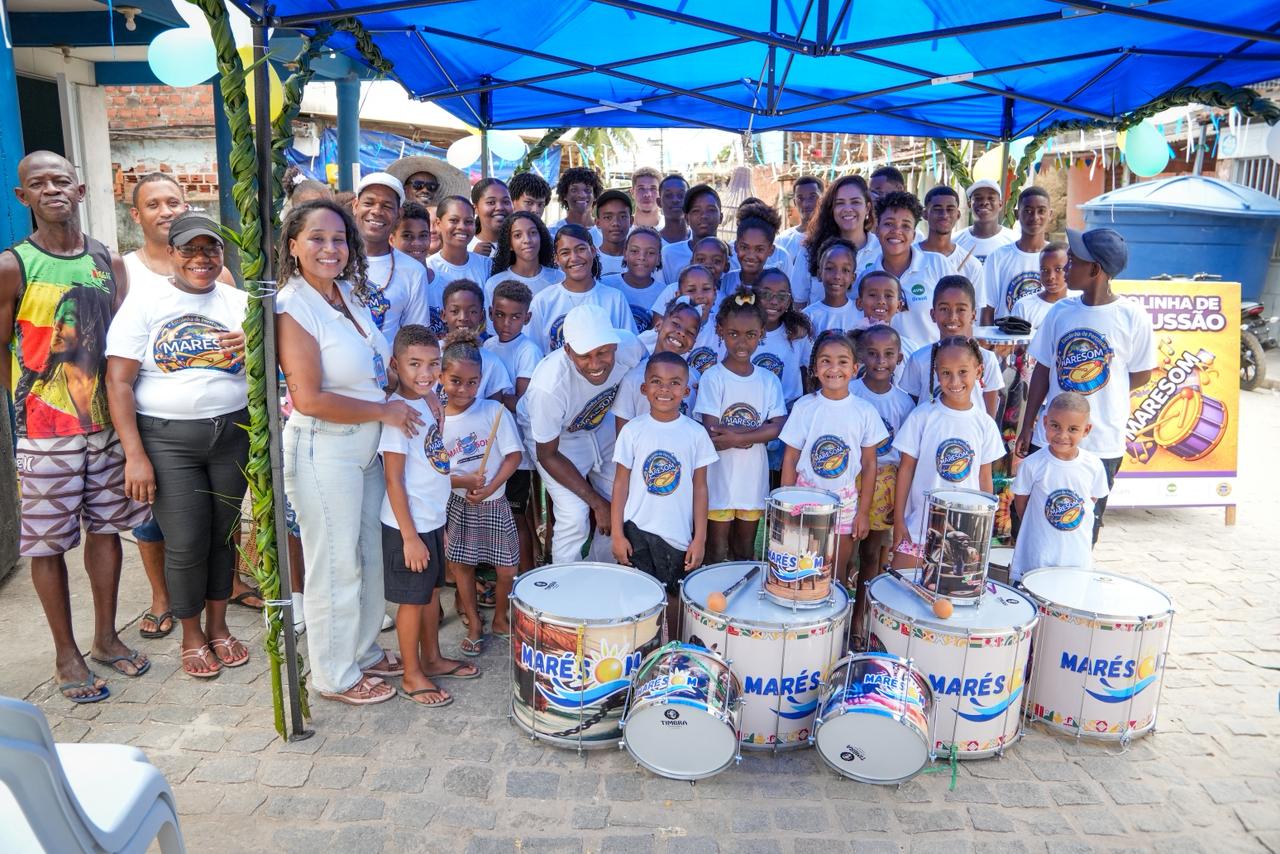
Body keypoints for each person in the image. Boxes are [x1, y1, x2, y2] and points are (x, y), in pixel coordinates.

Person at [2, 151, 150, 702]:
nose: (52, 190)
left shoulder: (107, 261)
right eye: (39, 184)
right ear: (23, 197)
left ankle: (106, 639)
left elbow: (123, 342)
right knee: (47, 545)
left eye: (61, 181)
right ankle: (66, 654)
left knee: (106, 531)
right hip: (45, 435)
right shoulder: (13, 265)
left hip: (107, 429)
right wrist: (29, 410)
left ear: (80, 191)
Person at [276, 198, 422, 706]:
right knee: (335, 564)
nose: (330, 248)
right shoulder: (293, 306)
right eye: (317, 238)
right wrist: (385, 411)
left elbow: (374, 369)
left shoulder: (345, 294)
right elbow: (309, 398)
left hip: (366, 446)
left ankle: (362, 651)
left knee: (369, 557)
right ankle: (333, 675)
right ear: (293, 245)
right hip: (325, 448)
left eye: (338, 239)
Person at [105, 212, 250, 679]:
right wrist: (134, 455)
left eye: (211, 248)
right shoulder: (145, 303)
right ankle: (192, 634)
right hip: (168, 441)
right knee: (186, 542)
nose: (200, 258)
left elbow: (275, 367)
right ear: (171, 253)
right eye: (189, 249)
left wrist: (254, 345)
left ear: (222, 254)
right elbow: (118, 382)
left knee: (224, 535)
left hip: (232, 435)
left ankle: (219, 627)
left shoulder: (241, 303)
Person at [1017, 227, 1154, 543]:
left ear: (1095, 270)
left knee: (1082, 526)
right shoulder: (1061, 312)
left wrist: (1108, 393)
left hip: (1101, 442)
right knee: (1035, 519)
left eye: (1073, 261)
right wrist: (1028, 424)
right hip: (1051, 438)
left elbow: (1142, 374)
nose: (1066, 267)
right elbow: (1043, 369)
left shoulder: (1132, 316)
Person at [379, 324, 479, 707]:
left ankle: (432, 659)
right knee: (412, 601)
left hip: (431, 519)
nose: (426, 372)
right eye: (415, 364)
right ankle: (411, 674)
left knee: (431, 593)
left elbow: (430, 465)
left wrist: (439, 524)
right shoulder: (398, 415)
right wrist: (409, 537)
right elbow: (393, 479)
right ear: (396, 364)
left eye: (433, 363)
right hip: (408, 526)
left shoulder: (428, 401)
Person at [517, 303, 645, 563]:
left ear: (615, 344)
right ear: (567, 350)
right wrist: (596, 503)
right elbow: (548, 455)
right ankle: (564, 581)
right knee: (574, 515)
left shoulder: (630, 346)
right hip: (557, 438)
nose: (595, 363)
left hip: (600, 421)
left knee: (621, 499)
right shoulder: (548, 387)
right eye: (585, 355)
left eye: (603, 352)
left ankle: (603, 569)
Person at [612, 351, 717, 628]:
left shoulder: (696, 434)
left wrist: (700, 538)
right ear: (644, 388)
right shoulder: (632, 431)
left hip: (677, 534)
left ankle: (673, 649)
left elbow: (701, 488)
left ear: (686, 391)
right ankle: (642, 648)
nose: (665, 389)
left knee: (673, 599)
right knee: (638, 597)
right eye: (657, 381)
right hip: (636, 530)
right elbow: (620, 484)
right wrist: (617, 534)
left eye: (674, 383)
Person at [780, 331, 886, 589]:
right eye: (826, 361)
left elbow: (870, 464)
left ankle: (835, 614)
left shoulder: (864, 411)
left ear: (855, 368)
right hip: (804, 496)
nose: (834, 368)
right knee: (800, 571)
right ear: (815, 368)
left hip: (844, 499)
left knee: (834, 574)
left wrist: (863, 512)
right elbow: (791, 457)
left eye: (842, 361)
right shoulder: (805, 407)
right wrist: (785, 505)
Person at [440, 330, 524, 653]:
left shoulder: (493, 411)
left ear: (481, 380)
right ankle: (475, 623)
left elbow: (514, 456)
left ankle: (501, 617)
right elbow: (434, 473)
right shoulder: (437, 420)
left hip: (495, 501)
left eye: (472, 382)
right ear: (441, 377)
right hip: (459, 504)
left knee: (507, 568)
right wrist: (463, 482)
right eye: (455, 381)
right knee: (462, 565)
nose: (464, 389)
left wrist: (489, 487)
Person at [892, 336, 1005, 568]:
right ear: (936, 373)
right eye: (946, 373)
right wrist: (899, 520)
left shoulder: (985, 423)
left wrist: (985, 525)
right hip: (919, 527)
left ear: (978, 371)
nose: (955, 381)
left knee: (950, 586)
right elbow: (906, 469)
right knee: (901, 584)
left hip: (965, 532)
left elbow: (984, 477)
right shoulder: (922, 416)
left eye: (963, 372)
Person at [696, 290, 787, 563]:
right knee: (715, 552)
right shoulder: (713, 378)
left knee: (744, 551)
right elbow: (714, 433)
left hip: (752, 482)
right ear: (720, 331)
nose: (742, 342)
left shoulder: (768, 380)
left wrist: (735, 437)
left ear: (762, 334)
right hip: (718, 482)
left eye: (750, 335)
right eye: (733, 334)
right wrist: (758, 432)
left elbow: (778, 427)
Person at [850, 324, 915, 627]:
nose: (880, 361)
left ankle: (863, 619)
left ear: (899, 358)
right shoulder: (851, 392)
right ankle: (843, 612)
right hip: (852, 478)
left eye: (888, 354)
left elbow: (905, 455)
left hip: (885, 482)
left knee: (873, 553)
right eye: (872, 354)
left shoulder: (904, 402)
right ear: (861, 356)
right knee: (847, 551)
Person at [1011, 392, 1109, 583]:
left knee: (1070, 596)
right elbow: (1021, 503)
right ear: (1044, 422)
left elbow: (1091, 501)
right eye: (1055, 426)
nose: (1062, 435)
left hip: (1075, 556)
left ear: (1086, 430)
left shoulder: (1094, 465)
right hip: (1040, 553)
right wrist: (1036, 525)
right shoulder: (1032, 464)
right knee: (1033, 594)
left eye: (1073, 429)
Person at [483, 280, 542, 572]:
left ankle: (526, 578)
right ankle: (507, 576)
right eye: (500, 315)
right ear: (490, 313)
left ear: (527, 318)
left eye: (515, 316)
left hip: (517, 451)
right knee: (499, 516)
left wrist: (493, 398)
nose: (506, 323)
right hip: (492, 447)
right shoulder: (487, 345)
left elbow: (523, 403)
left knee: (517, 517)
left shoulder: (528, 350)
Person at [900, 275, 1004, 418]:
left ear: (973, 315)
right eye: (944, 309)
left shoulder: (987, 359)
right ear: (933, 314)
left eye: (961, 309)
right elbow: (913, 410)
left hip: (972, 432)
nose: (952, 317)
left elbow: (989, 417)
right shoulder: (918, 359)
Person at [864, 191, 954, 345]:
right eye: (889, 224)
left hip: (932, 358)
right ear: (877, 230)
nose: (896, 231)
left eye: (905, 225)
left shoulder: (937, 264)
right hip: (884, 360)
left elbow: (958, 315)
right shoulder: (867, 276)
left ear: (914, 234)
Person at [527, 223, 634, 353]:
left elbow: (629, 348)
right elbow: (533, 351)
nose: (574, 258)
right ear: (556, 259)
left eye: (581, 249)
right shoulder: (543, 301)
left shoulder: (615, 299)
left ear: (593, 251)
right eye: (565, 252)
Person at [351, 173, 430, 346]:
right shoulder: (333, 261)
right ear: (355, 206)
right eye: (368, 203)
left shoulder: (414, 271)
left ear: (398, 214)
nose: (376, 211)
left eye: (387, 206)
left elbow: (415, 340)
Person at [615, 298, 703, 431]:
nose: (681, 333)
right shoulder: (633, 377)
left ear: (693, 344)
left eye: (690, 332)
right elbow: (622, 435)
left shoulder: (695, 380)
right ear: (659, 325)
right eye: (676, 324)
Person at [792, 175, 879, 307]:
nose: (847, 209)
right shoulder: (810, 250)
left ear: (867, 208)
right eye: (840, 203)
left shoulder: (882, 250)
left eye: (855, 202)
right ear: (831, 209)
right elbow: (799, 305)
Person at [981, 186, 1051, 324]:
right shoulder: (997, 257)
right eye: (1028, 211)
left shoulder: (1059, 257)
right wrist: (985, 338)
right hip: (1005, 337)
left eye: (1041, 211)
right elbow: (987, 310)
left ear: (1050, 214)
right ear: (1017, 214)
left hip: (1046, 337)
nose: (1035, 217)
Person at [425, 196, 492, 334]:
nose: (462, 227)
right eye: (454, 220)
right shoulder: (428, 269)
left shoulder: (487, 266)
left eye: (468, 221)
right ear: (438, 223)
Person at [440, 279, 513, 404]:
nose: (463, 318)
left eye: (472, 312)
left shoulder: (492, 362)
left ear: (482, 316)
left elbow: (494, 410)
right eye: (455, 311)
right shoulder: (431, 354)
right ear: (443, 315)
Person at [484, 210, 563, 324]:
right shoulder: (494, 283)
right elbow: (493, 330)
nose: (527, 240)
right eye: (517, 235)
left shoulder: (559, 278)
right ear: (510, 244)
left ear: (541, 237)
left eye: (533, 233)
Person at [750, 269, 812, 405]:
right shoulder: (743, 331)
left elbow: (811, 371)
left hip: (788, 409)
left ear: (789, 301)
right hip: (749, 408)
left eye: (782, 296)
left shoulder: (797, 334)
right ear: (754, 296)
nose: (774, 301)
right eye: (765, 294)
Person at [602, 226, 664, 333]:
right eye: (635, 251)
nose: (642, 257)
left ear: (658, 258)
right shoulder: (605, 284)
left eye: (650, 252)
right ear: (625, 254)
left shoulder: (665, 293)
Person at [918, 185, 983, 286]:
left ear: (958, 215)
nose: (944, 215)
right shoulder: (908, 257)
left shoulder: (971, 265)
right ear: (925, 214)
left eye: (950, 209)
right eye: (937, 209)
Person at [661, 184, 724, 284]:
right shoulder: (669, 254)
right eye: (696, 211)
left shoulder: (733, 256)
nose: (704, 216)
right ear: (687, 219)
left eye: (711, 210)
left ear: (721, 217)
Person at [720, 203, 784, 295]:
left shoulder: (775, 285)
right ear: (736, 246)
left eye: (759, 249)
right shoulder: (727, 280)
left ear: (771, 250)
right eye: (744, 247)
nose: (751, 256)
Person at [802, 237, 862, 336]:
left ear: (853, 277)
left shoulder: (861, 313)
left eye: (845, 270)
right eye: (830, 268)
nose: (837, 276)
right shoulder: (808, 317)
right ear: (819, 274)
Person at [953, 180, 1017, 265]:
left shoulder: (1015, 242)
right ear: (969, 204)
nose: (984, 202)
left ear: (1000, 205)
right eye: (978, 198)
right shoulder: (954, 242)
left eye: (991, 198)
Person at [1012, 242, 1069, 329]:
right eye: (1044, 270)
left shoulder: (1078, 305)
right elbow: (1015, 337)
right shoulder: (1024, 306)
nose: (1051, 276)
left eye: (1058, 269)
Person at [550, 166, 603, 240]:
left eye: (587, 190)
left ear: (595, 196)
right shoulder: (552, 233)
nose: (581, 195)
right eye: (574, 190)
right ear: (564, 195)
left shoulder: (605, 231)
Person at [777, 175, 823, 259]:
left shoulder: (832, 236)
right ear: (794, 202)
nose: (806, 204)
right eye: (800, 198)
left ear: (822, 199)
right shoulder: (783, 240)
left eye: (812, 197)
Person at [469, 177, 513, 257]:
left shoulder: (521, 244)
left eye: (506, 202)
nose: (500, 207)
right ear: (475, 209)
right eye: (491, 202)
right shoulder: (465, 247)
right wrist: (475, 258)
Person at [594, 189, 634, 277]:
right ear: (598, 223)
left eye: (622, 217)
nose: (616, 223)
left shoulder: (641, 260)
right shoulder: (589, 260)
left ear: (631, 221)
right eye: (608, 217)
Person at [391, 201, 438, 268]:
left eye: (423, 235)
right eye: (407, 236)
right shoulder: (379, 274)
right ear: (391, 240)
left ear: (429, 237)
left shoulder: (441, 274)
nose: (417, 243)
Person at [658, 173, 691, 245]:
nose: (675, 200)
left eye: (681, 195)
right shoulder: (652, 242)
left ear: (689, 201)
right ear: (659, 202)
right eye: (668, 195)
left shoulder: (700, 241)